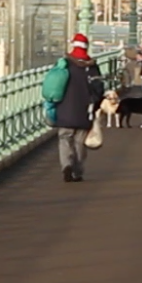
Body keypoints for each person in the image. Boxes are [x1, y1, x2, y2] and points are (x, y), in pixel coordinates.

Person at [42, 34, 102, 182]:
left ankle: (66, 165)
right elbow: (99, 89)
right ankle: (77, 171)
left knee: (64, 139)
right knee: (79, 142)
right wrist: (95, 104)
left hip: (64, 108)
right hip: (84, 110)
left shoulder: (64, 64)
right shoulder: (92, 66)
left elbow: (54, 85)